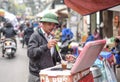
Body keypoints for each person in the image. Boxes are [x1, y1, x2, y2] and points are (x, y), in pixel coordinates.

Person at [27, 12, 75, 82]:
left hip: (49, 74)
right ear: (42, 24)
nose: (52, 27)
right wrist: (46, 46)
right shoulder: (35, 36)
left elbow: (55, 56)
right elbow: (30, 53)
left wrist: (65, 57)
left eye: (53, 25)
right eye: (49, 24)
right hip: (37, 76)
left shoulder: (51, 37)